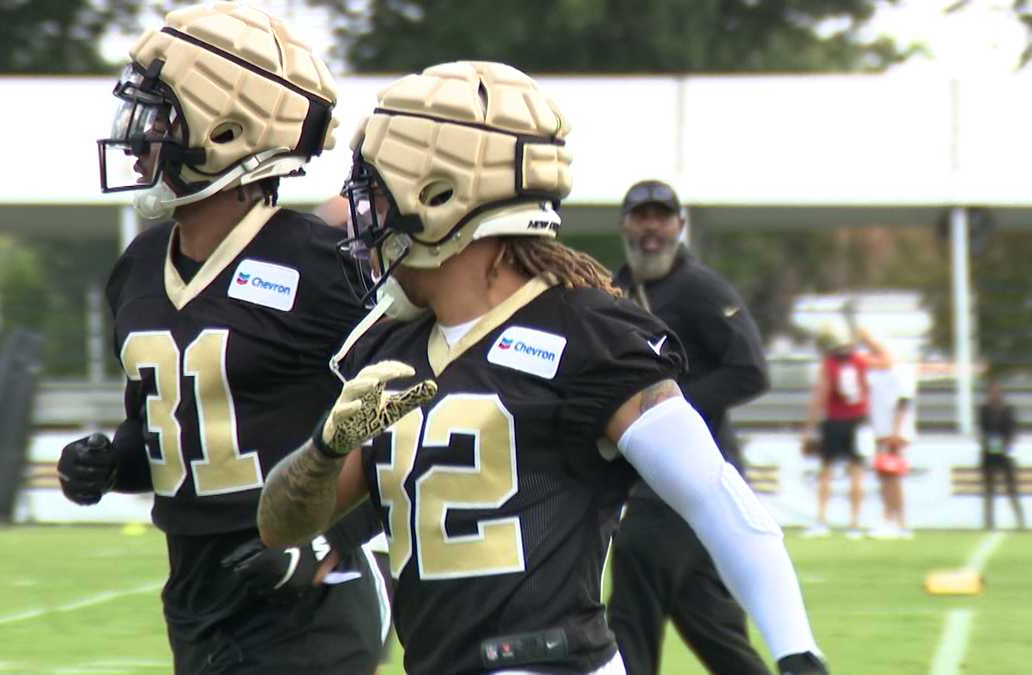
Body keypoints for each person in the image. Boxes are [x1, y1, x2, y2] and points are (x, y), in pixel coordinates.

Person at [256, 61, 828, 675]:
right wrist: (325, 446)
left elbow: (715, 498)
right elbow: (278, 524)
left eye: (373, 194)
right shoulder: (389, 344)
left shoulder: (586, 333)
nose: (358, 218)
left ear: (442, 196)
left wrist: (797, 653)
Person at [56, 4, 387, 673]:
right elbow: (169, 433)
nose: (139, 134)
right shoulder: (141, 267)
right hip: (197, 594)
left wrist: (328, 538)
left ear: (229, 127)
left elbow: (409, 411)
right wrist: (111, 460)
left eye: (160, 115)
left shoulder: (321, 268)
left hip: (313, 599)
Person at [606, 180, 771, 675]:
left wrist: (667, 411)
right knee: (710, 624)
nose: (651, 228)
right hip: (647, 480)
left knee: (632, 594)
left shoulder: (701, 290)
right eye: (641, 217)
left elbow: (750, 369)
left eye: (662, 217)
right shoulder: (613, 291)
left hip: (689, 478)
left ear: (679, 226)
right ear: (625, 225)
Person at [802, 322, 892, 538]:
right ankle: (854, 523)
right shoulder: (859, 360)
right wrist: (869, 340)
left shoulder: (829, 364)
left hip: (834, 421)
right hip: (858, 421)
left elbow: (820, 396)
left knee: (826, 472)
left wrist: (809, 429)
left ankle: (821, 520)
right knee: (856, 473)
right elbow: (887, 361)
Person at [866, 352, 917, 539]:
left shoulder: (901, 372)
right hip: (881, 432)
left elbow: (903, 403)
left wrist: (895, 431)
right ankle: (890, 519)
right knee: (884, 477)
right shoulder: (877, 376)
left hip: (894, 434)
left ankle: (898, 521)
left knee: (892, 477)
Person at [979, 379, 1026, 530]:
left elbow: (1012, 431)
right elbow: (982, 431)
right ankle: (988, 523)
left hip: (1005, 454)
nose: (993, 395)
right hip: (988, 454)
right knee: (988, 490)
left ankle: (1020, 522)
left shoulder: (1008, 410)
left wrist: (1005, 445)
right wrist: (989, 444)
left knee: (1012, 489)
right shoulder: (984, 410)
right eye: (991, 392)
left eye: (996, 392)